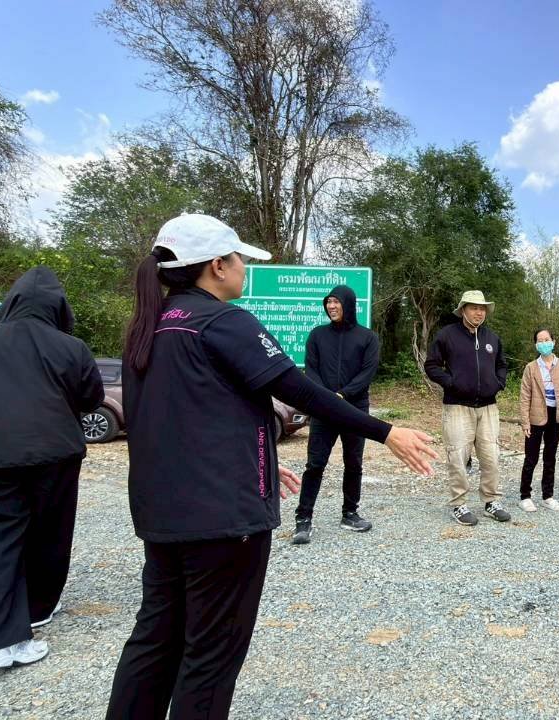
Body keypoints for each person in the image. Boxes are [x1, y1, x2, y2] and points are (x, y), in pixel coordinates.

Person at [106, 214, 436, 719]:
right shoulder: (223, 321)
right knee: (210, 654)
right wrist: (386, 432)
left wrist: (249, 458)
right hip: (223, 521)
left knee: (156, 638)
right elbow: (301, 391)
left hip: (162, 513)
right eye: (239, 259)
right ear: (217, 265)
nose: (244, 269)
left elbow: (178, 421)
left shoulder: (149, 326)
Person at [0, 268, 104, 673]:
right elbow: (91, 398)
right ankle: (38, 608)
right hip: (56, 454)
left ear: (10, 303)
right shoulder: (72, 347)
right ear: (59, 308)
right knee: (49, 533)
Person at [292, 284, 380, 543]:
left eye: (336, 302)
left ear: (348, 304)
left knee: (353, 463)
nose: (331, 306)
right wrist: (327, 398)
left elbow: (367, 372)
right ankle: (303, 519)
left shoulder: (367, 337)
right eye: (328, 302)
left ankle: (350, 513)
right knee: (315, 464)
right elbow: (311, 369)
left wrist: (343, 395)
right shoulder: (317, 335)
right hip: (323, 409)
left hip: (355, 408)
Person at [424, 290, 511, 526]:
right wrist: (451, 383)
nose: (479, 313)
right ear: (463, 310)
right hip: (457, 407)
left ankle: (491, 501)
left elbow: (502, 364)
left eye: (482, 309)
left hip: (488, 408)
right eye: (474, 308)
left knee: (491, 456)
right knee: (457, 456)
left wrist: (498, 383)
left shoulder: (492, 338)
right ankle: (459, 504)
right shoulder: (447, 335)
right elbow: (431, 365)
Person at [517, 328, 559, 512]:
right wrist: (525, 422)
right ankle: (525, 496)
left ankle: (548, 496)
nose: (544, 343)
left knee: (550, 456)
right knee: (531, 457)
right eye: (540, 340)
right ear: (536, 345)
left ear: (553, 342)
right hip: (536, 415)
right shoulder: (531, 368)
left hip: (556, 415)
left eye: (547, 339)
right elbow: (524, 397)